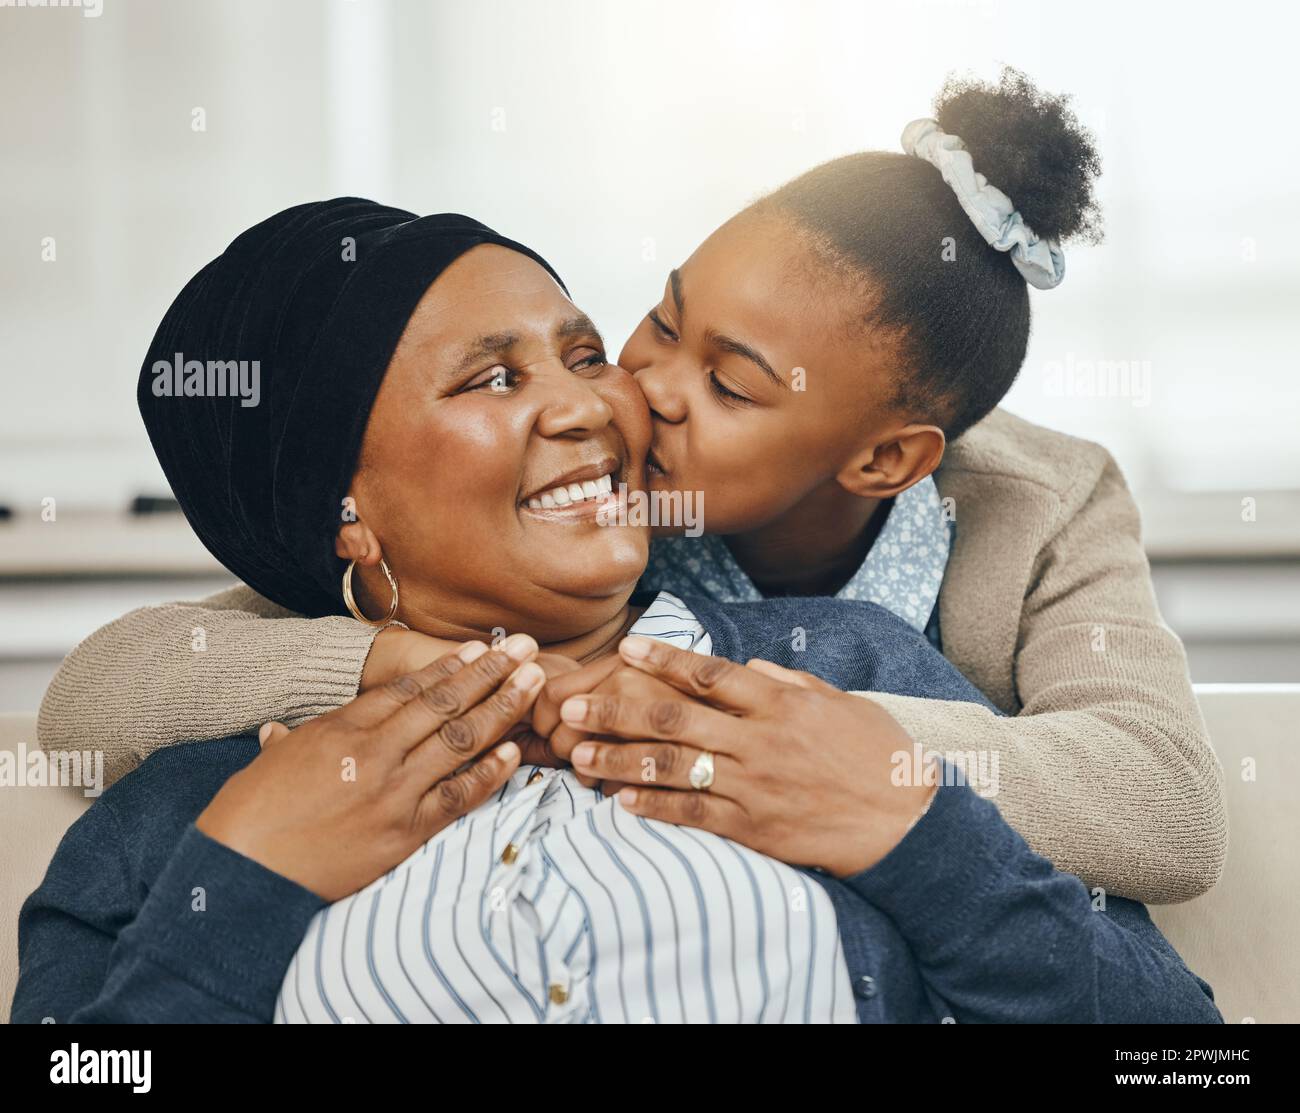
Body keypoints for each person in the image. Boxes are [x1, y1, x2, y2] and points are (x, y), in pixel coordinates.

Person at [12, 199, 1218, 1024]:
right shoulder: (204, 797)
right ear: (347, 515)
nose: (606, 404)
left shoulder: (848, 678)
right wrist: (250, 879)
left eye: (580, 353)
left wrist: (907, 819)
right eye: (493, 378)